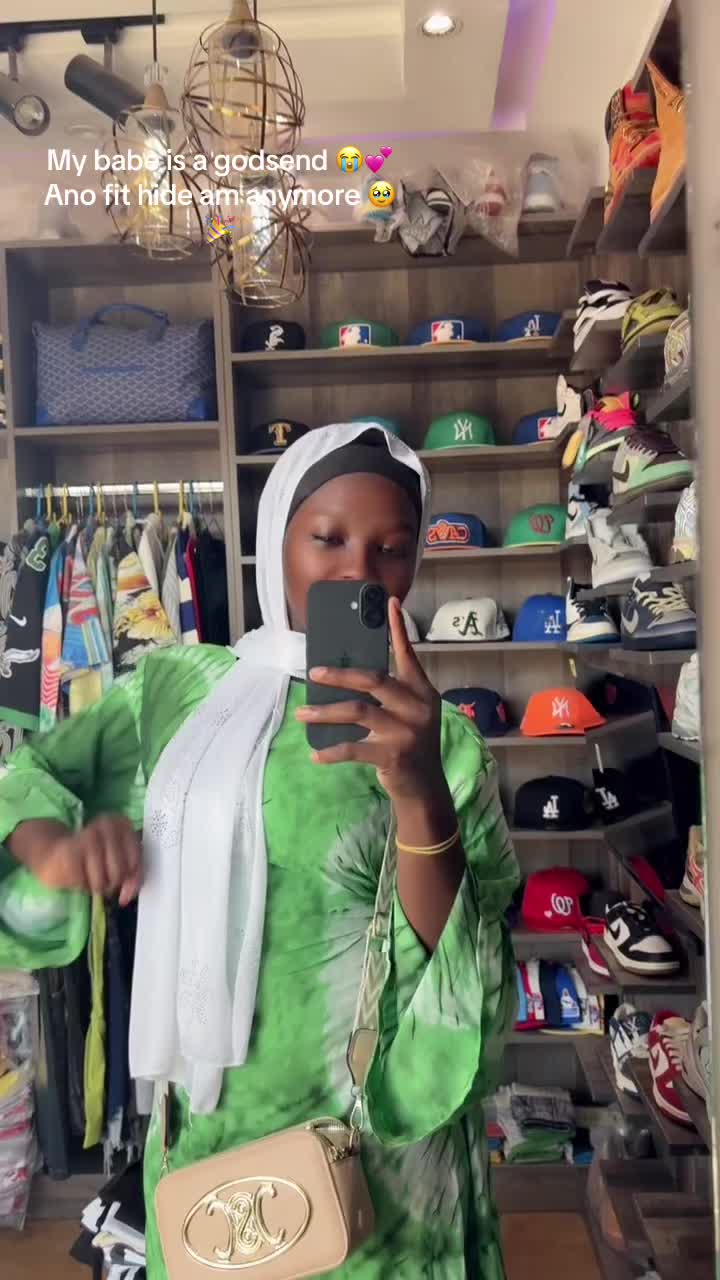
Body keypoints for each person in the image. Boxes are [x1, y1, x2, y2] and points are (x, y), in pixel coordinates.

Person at [0, 422, 519, 1277]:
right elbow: (28, 780)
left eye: (391, 549)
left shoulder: (443, 738)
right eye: (328, 539)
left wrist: (421, 788)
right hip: (213, 1136)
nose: (359, 572)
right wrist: (56, 847)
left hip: (381, 1154)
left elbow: (467, 976)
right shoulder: (175, 696)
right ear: (277, 538)